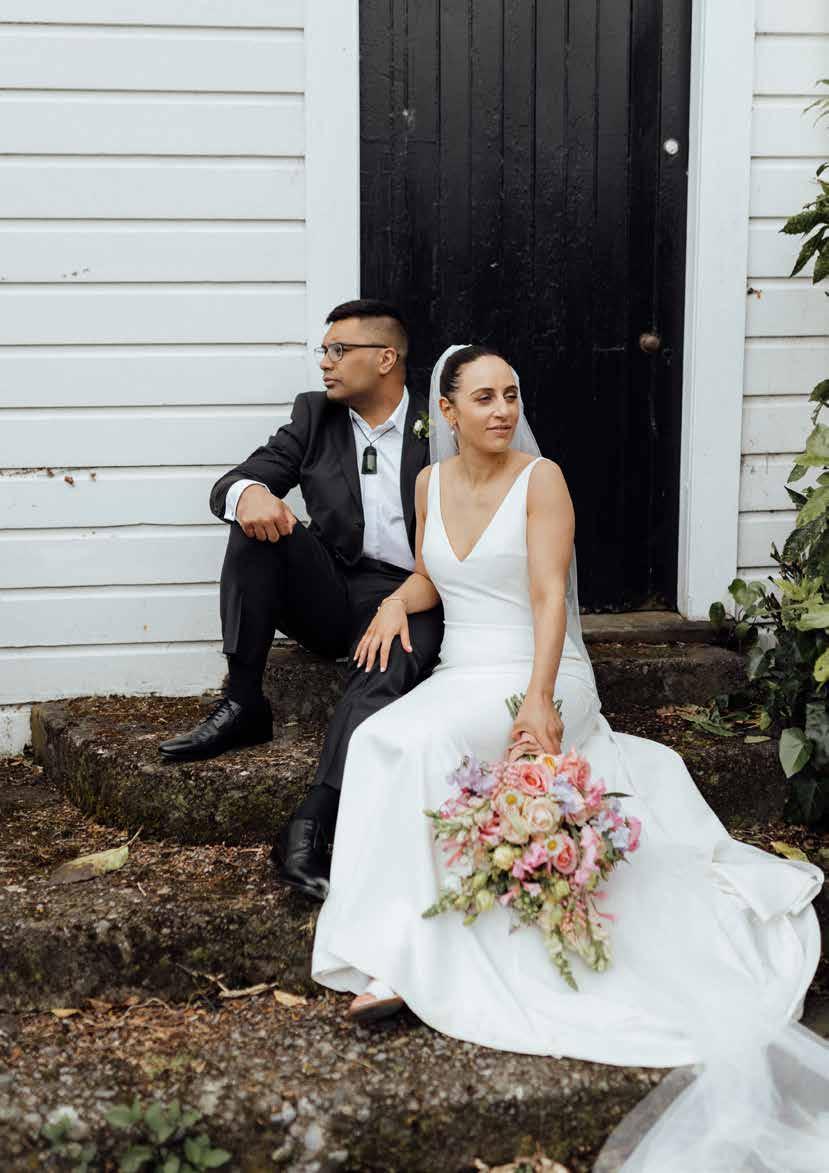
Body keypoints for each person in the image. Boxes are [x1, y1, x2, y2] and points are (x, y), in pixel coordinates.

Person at [311, 344, 828, 1171]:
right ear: (447, 410)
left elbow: (550, 594)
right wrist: (392, 605)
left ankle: (409, 960)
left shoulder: (540, 479)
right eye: (484, 397)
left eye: (510, 395)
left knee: (424, 741)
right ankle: (385, 946)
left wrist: (541, 697)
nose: (502, 410)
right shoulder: (428, 483)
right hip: (461, 672)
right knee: (381, 737)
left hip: (544, 673)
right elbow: (432, 576)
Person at [158, 299, 443, 900]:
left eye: (339, 350)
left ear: (385, 359)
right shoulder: (315, 417)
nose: (325, 363)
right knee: (255, 519)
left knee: (385, 664)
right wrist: (249, 493)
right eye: (324, 350)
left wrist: (407, 600)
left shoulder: (440, 423)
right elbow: (233, 481)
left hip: (416, 591)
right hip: (334, 588)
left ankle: (312, 821)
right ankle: (243, 703)